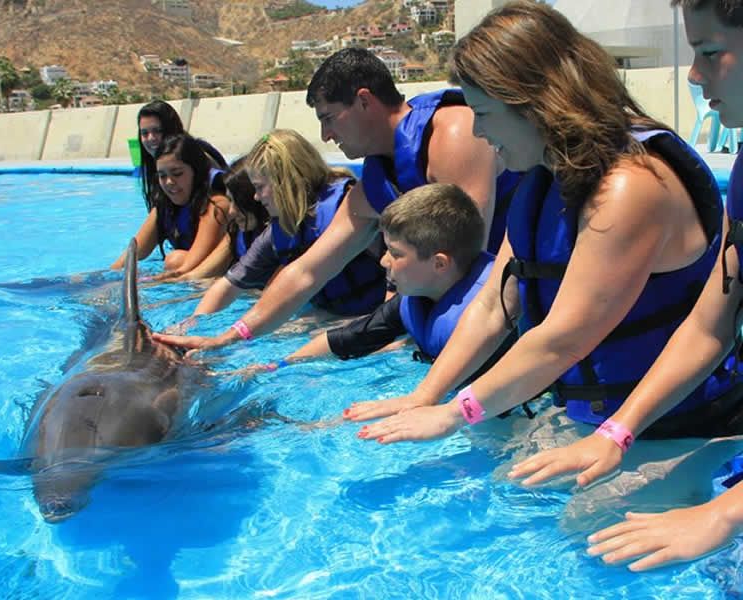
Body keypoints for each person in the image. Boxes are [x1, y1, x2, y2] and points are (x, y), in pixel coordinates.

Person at [354, 1, 742, 457]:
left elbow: (563, 339)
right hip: (599, 422)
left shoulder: (628, 186)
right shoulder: (541, 182)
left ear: (534, 104)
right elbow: (494, 308)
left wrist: (454, 413)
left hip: (684, 428)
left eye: (485, 113)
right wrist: (424, 397)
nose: (478, 132)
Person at [508, 0, 743, 572]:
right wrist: (618, 431)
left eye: (710, 52)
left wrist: (722, 515)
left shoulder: (633, 184)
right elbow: (709, 325)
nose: (693, 74)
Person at [152, 47, 511, 351]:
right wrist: (229, 337)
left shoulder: (454, 134)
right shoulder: (376, 183)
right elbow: (309, 270)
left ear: (364, 101)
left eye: (328, 118)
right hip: (445, 308)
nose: (325, 136)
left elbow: (468, 255)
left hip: (503, 301)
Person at [263, 183, 514, 384]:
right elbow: (352, 338)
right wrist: (279, 366)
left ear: (439, 264)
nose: (383, 261)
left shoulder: (489, 319)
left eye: (395, 253)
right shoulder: (415, 299)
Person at [154, 129, 387, 339]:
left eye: (259, 187)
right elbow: (229, 285)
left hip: (377, 316)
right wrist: (189, 325)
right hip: (329, 314)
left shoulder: (349, 208)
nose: (255, 197)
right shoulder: (281, 229)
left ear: (285, 182)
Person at [110, 101, 227, 272]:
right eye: (162, 176)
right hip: (190, 252)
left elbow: (186, 268)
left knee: (175, 260)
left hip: (214, 259)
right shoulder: (165, 203)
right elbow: (133, 254)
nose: (150, 138)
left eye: (177, 173)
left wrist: (150, 283)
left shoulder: (215, 201)